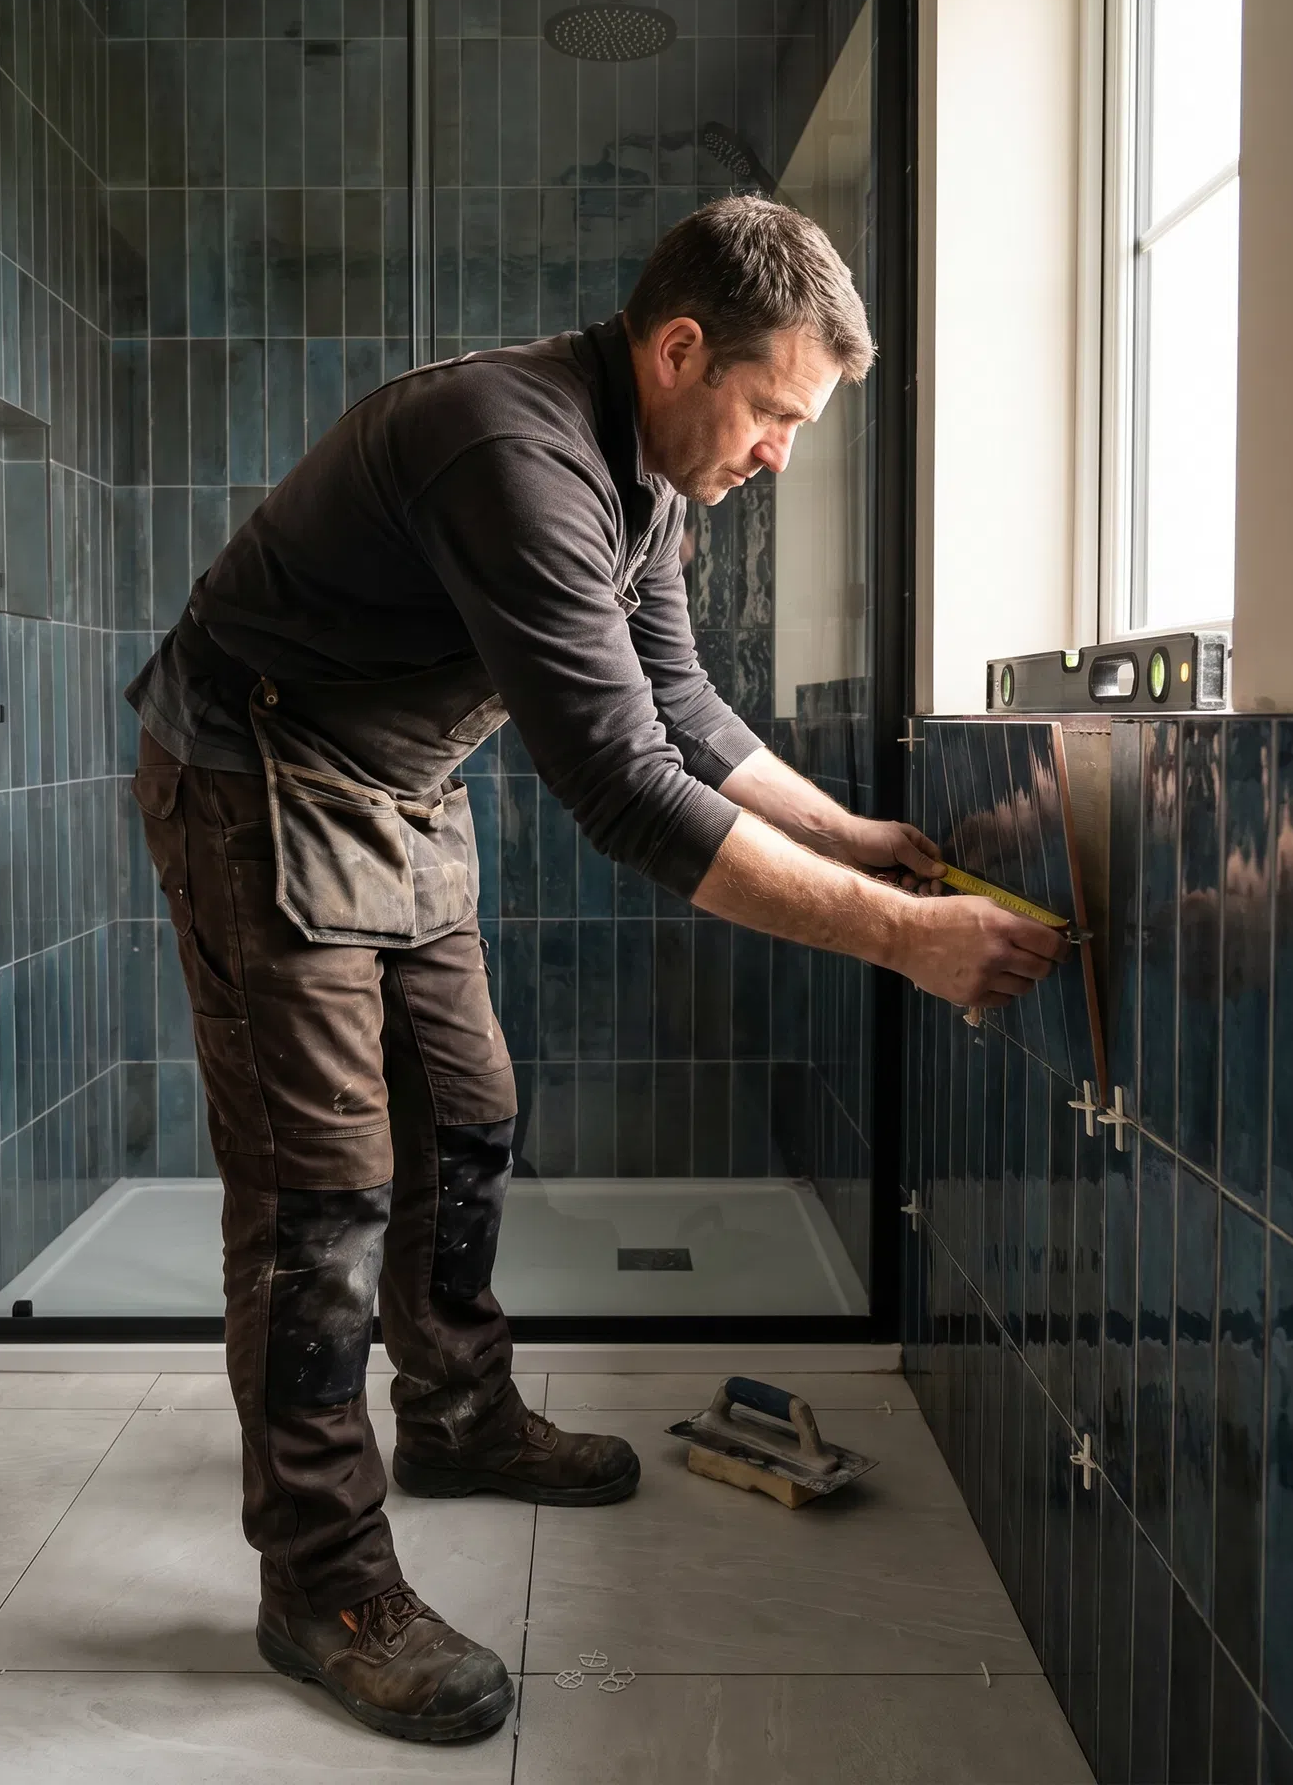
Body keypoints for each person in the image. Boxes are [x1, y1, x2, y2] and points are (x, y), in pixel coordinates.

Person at [126, 196, 1064, 1745]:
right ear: (679, 349)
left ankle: (454, 1414)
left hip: (397, 783)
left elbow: (675, 701)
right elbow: (624, 789)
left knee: (468, 1115)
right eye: (772, 413)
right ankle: (321, 1579)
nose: (780, 454)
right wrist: (902, 938)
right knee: (323, 1194)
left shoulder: (650, 475)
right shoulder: (510, 448)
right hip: (256, 774)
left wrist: (844, 835)